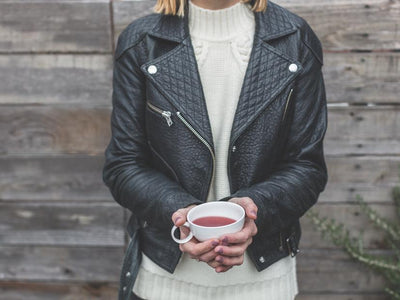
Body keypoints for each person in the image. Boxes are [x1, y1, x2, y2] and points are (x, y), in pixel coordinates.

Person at [103, 0, 328, 299]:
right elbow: (123, 165)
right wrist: (180, 213)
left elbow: (307, 167)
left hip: (264, 282)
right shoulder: (142, 42)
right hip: (163, 280)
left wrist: (253, 211)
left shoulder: (294, 38)